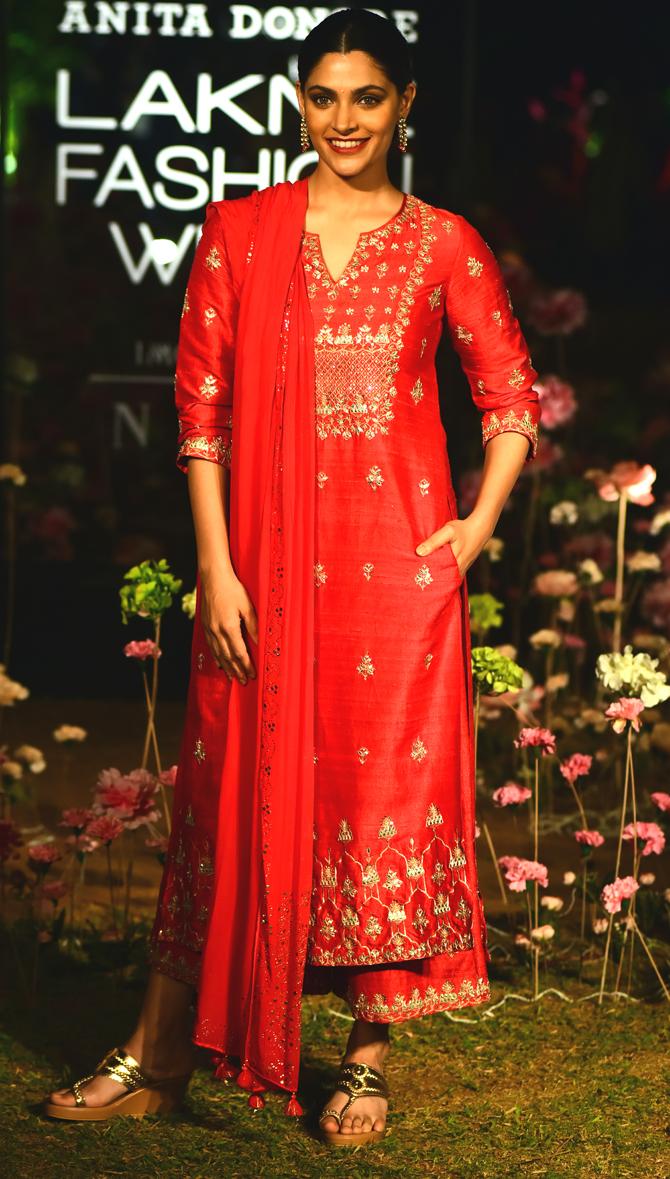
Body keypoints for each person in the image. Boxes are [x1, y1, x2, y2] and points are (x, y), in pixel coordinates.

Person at [44, 8, 540, 1147]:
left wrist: (467, 535)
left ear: (405, 105)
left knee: (374, 811)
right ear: (299, 102)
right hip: (260, 576)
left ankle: (365, 1060)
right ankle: (158, 1047)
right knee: (225, 799)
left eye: (367, 98)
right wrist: (215, 566)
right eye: (323, 97)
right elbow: (201, 411)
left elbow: (509, 401)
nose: (343, 120)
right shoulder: (242, 231)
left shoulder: (443, 243)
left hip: (395, 582)